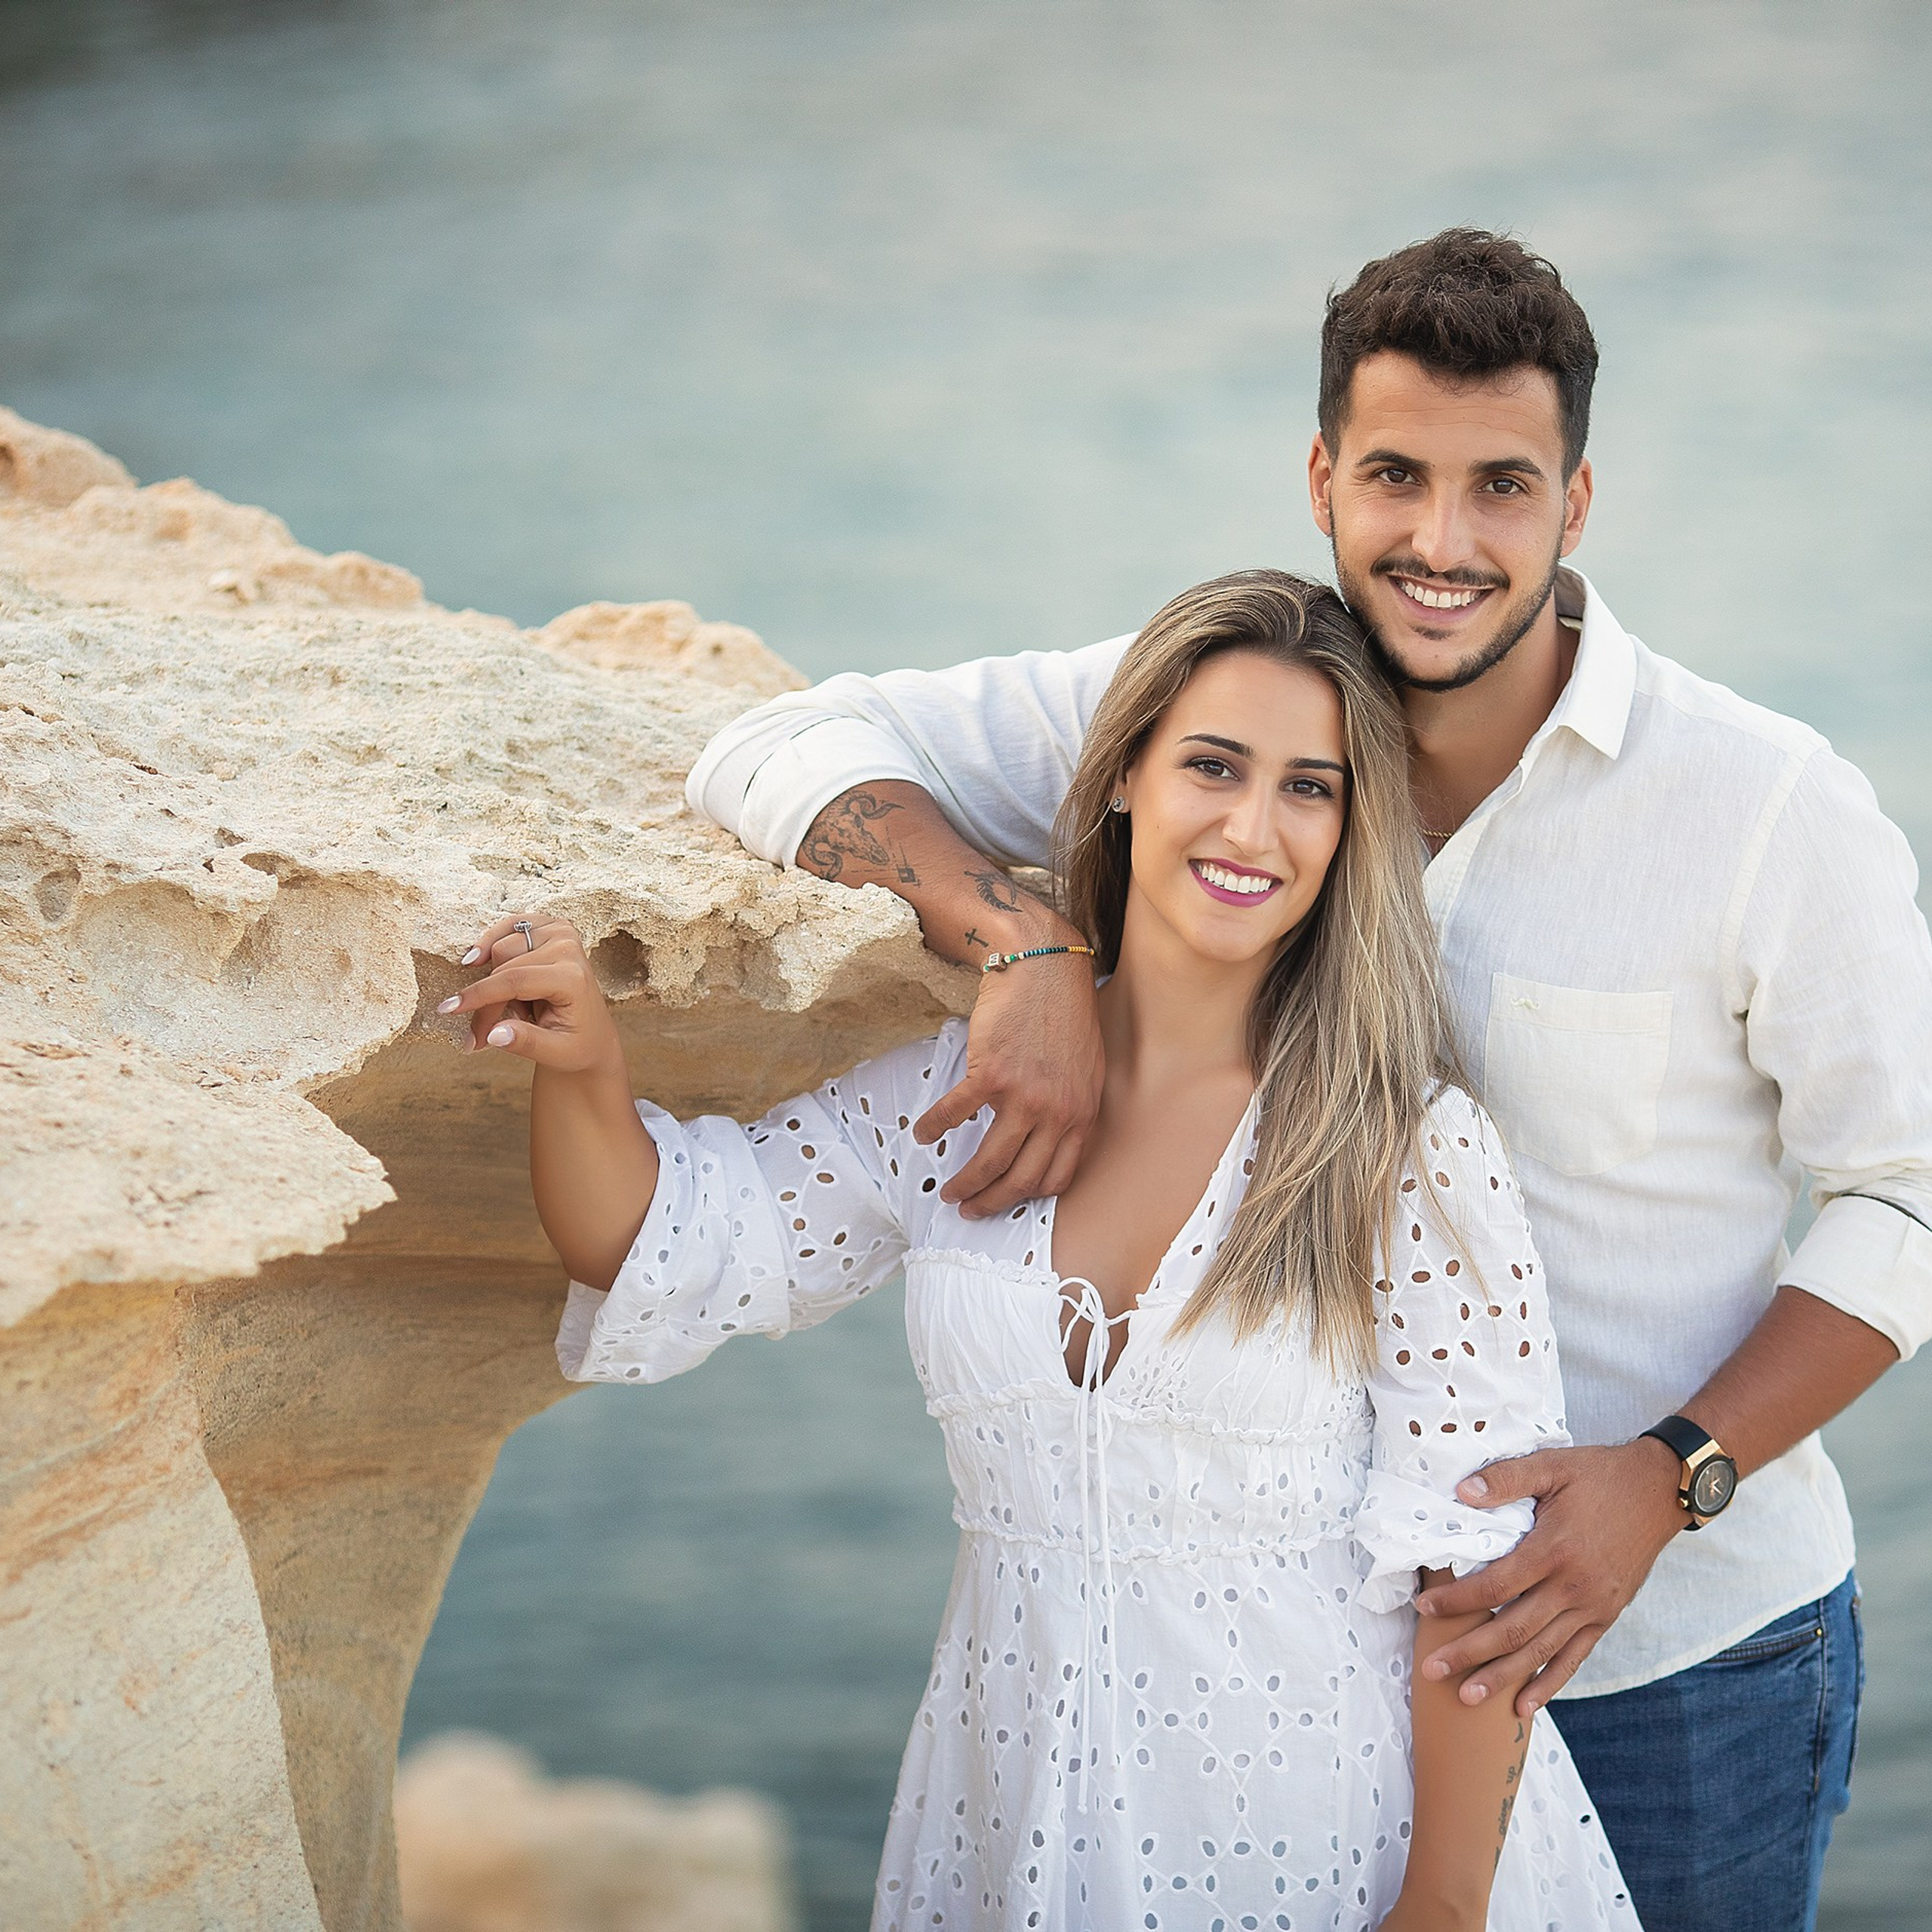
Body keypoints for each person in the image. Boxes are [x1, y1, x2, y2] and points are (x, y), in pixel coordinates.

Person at [682, 229, 1932, 1932]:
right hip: (1315, 1696)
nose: (1439, 540)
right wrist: (1018, 941)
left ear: (1574, 505)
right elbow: (775, 741)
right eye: (1395, 476)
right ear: (1320, 476)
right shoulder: (1226, 709)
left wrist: (1671, 1468)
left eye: (1500, 485)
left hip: (1677, 1658)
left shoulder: (1763, 804)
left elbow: (1905, 1192)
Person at [446, 572, 1638, 1930]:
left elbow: (1476, 1576)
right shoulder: (955, 1094)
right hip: (1011, 1802)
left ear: (1352, 826)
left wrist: (1442, 1909)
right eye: (1213, 765)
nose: (1255, 826)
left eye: (1311, 787)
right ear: (1126, 774)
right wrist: (582, 1067)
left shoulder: (1404, 1146)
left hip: (1326, 1821)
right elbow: (670, 1241)